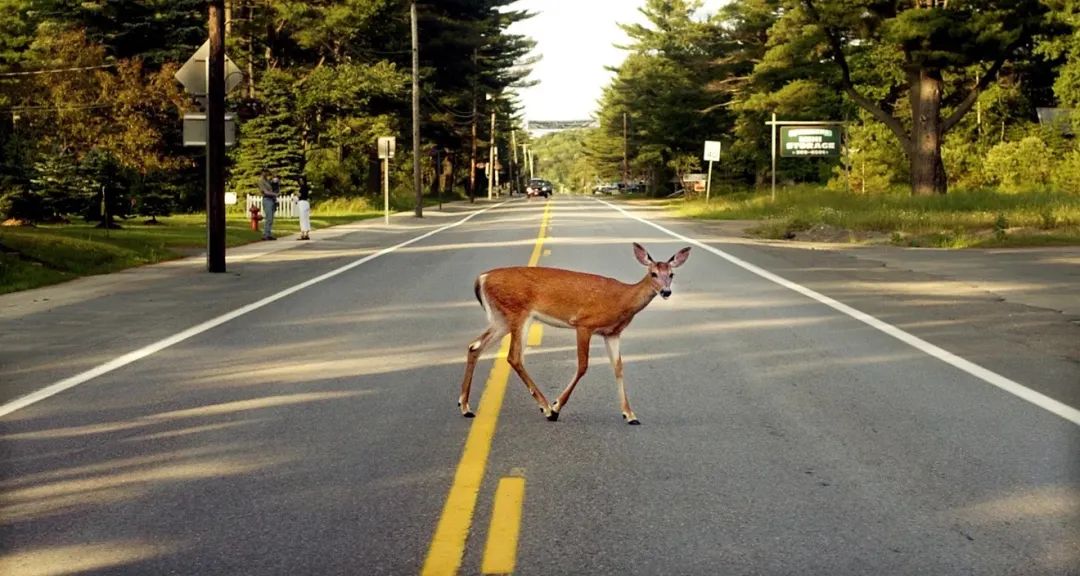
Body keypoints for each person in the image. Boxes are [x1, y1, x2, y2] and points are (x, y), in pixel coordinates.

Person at [257, 169, 278, 240]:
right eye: (265, 173)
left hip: (272, 199)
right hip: (267, 199)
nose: (267, 174)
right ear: (262, 173)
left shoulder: (267, 181)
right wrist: (275, 194)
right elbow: (265, 192)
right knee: (268, 217)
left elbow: (274, 185)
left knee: (271, 218)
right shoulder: (261, 181)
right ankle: (265, 234)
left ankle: (269, 234)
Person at [297, 176, 311, 240]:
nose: (300, 182)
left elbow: (299, 195)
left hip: (302, 203)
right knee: (306, 218)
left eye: (301, 180)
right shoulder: (307, 187)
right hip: (306, 203)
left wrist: (296, 194)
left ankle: (303, 234)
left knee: (302, 219)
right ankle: (307, 233)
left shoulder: (302, 188)